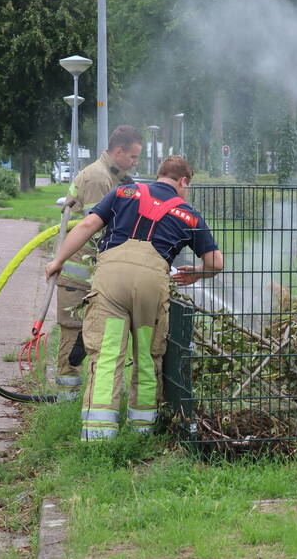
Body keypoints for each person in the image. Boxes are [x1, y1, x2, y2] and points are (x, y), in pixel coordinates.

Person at [45, 156, 223, 440]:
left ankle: (98, 435)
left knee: (106, 355)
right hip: (151, 286)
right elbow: (216, 262)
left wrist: (58, 261)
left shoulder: (124, 192)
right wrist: (198, 274)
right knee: (147, 356)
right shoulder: (189, 215)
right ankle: (142, 431)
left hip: (111, 282)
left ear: (159, 175)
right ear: (183, 181)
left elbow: (86, 226)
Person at [54, 125, 143, 397]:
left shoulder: (114, 177)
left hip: (93, 270)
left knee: (91, 334)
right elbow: (96, 230)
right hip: (79, 272)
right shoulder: (97, 179)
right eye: (133, 158)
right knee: (73, 332)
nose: (135, 163)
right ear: (119, 152)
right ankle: (66, 397)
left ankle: (81, 394)